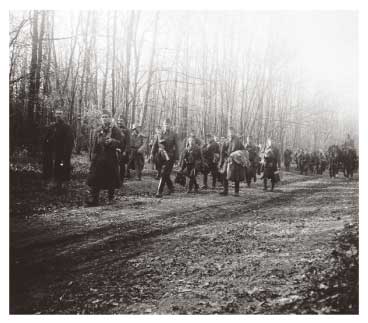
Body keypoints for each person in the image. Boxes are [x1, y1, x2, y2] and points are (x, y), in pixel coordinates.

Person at [86, 110, 123, 206]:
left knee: (111, 179)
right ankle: (94, 199)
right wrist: (92, 156)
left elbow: (121, 144)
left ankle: (110, 198)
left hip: (111, 158)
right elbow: (94, 145)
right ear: (100, 119)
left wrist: (112, 141)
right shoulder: (97, 130)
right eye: (103, 117)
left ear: (110, 118)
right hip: (99, 158)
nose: (104, 119)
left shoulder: (116, 130)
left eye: (106, 117)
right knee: (95, 178)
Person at [42, 109, 74, 191]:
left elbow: (70, 141)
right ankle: (52, 184)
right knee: (52, 168)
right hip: (52, 152)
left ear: (63, 115)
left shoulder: (67, 127)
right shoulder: (51, 127)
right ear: (54, 115)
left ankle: (62, 185)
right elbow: (46, 140)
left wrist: (67, 153)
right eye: (57, 113)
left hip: (63, 152)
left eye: (60, 113)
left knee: (63, 168)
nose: (58, 115)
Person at [150, 118, 179, 198]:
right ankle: (171, 187)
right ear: (163, 125)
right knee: (165, 174)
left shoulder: (174, 134)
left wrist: (177, 158)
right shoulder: (159, 133)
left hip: (170, 157)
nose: (166, 125)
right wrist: (152, 153)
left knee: (164, 173)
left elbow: (177, 147)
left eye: (168, 124)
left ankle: (159, 191)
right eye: (165, 124)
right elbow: (155, 144)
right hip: (160, 156)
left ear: (170, 125)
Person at [219, 127, 245, 196]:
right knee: (224, 174)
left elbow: (243, 150)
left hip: (235, 161)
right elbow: (222, 152)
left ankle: (236, 192)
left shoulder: (238, 141)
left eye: (232, 132)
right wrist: (221, 161)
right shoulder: (226, 141)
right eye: (229, 132)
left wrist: (238, 155)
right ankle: (225, 190)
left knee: (236, 176)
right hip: (227, 160)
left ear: (234, 132)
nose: (230, 133)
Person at [117, 115, 131, 181]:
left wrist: (125, 151)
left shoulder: (127, 130)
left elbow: (128, 142)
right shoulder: (116, 128)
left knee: (122, 166)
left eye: (121, 121)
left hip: (123, 151)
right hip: (115, 150)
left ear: (124, 121)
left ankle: (121, 180)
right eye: (119, 120)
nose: (120, 122)